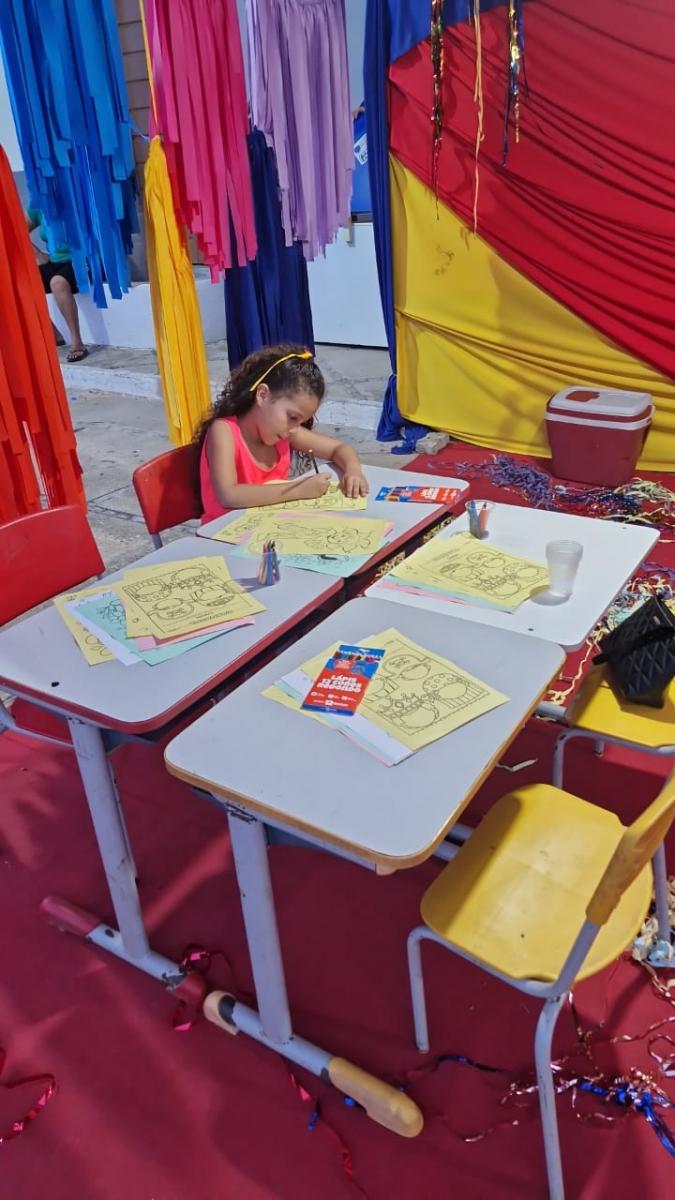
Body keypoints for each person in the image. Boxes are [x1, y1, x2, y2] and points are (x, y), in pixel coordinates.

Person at [197, 344, 369, 522]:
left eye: (300, 422)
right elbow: (229, 495)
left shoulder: (285, 432)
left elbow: (339, 448)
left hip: (271, 527)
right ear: (263, 395)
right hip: (221, 533)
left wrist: (353, 470)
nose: (294, 428)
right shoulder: (223, 431)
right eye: (292, 417)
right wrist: (298, 490)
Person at [26, 208, 88, 362]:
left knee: (57, 283)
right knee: (22, 282)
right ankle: (53, 333)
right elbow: (17, 230)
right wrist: (38, 254)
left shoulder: (76, 199)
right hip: (54, 262)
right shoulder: (39, 205)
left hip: (82, 261)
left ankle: (77, 342)